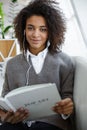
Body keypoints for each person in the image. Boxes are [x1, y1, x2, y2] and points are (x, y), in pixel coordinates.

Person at [0, 0, 75, 130]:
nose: (35, 34)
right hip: (18, 124)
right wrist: (5, 117)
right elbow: (4, 103)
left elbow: (67, 99)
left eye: (43, 29)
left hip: (51, 124)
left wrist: (67, 107)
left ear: (51, 31)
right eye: (30, 28)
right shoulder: (12, 64)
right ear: (23, 29)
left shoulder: (64, 62)